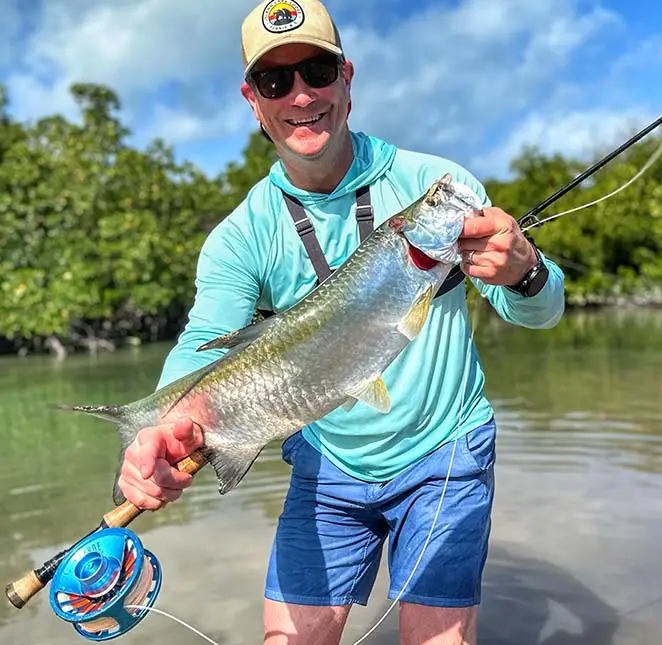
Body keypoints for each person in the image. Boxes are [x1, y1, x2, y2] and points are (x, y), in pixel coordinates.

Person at [117, 1, 565, 643]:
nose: (301, 95)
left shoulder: (438, 182)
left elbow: (541, 313)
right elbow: (202, 342)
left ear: (347, 77)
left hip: (445, 446)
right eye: (276, 81)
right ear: (253, 100)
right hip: (328, 463)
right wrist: (159, 432)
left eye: (317, 71)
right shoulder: (241, 236)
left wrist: (525, 271)